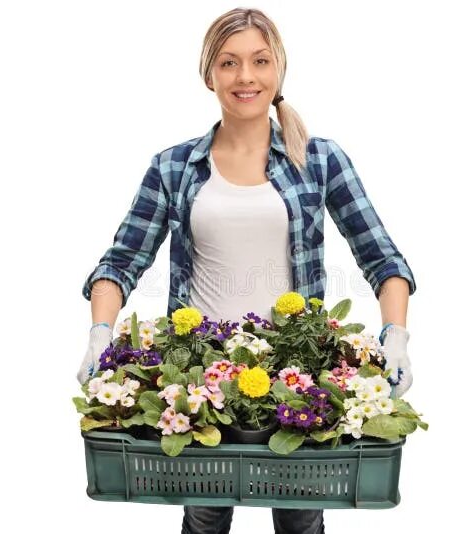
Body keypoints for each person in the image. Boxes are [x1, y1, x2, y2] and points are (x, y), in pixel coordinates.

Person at [77, 7, 417, 534]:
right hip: (198, 381)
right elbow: (120, 262)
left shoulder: (319, 159)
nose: (245, 77)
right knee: (206, 516)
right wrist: (100, 333)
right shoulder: (173, 167)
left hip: (297, 378)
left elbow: (383, 259)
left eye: (260, 61)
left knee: (301, 519)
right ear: (209, 73)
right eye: (230, 63)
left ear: (279, 69)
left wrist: (395, 336)